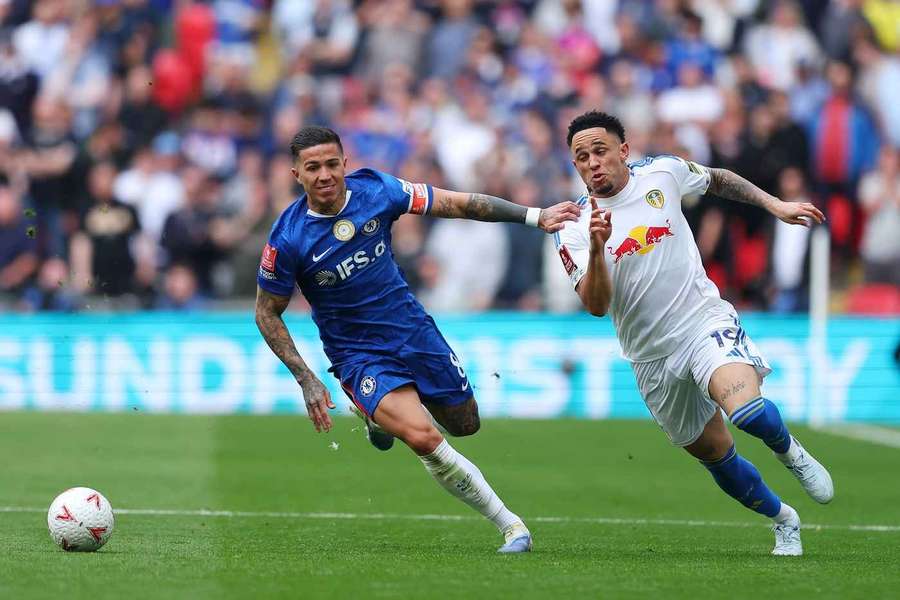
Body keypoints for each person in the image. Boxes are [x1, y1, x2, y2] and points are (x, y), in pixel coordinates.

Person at [255, 125, 580, 553]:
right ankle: (512, 526)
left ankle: (374, 416)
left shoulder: (377, 190)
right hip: (358, 355)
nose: (324, 175)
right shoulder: (288, 238)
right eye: (312, 168)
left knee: (465, 424)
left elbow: (455, 203)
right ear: (297, 173)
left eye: (332, 164)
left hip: (412, 329)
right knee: (423, 437)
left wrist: (533, 215)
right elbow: (266, 312)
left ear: (345, 164)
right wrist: (306, 378)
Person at [553, 111, 833, 556]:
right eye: (581, 157)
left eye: (600, 151)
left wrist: (775, 204)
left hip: (702, 322)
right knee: (716, 456)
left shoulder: (662, 172)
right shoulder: (571, 224)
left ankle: (790, 452)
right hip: (649, 357)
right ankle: (784, 519)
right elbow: (596, 305)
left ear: (624, 150)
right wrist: (597, 248)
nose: (592, 163)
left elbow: (718, 179)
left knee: (746, 412)